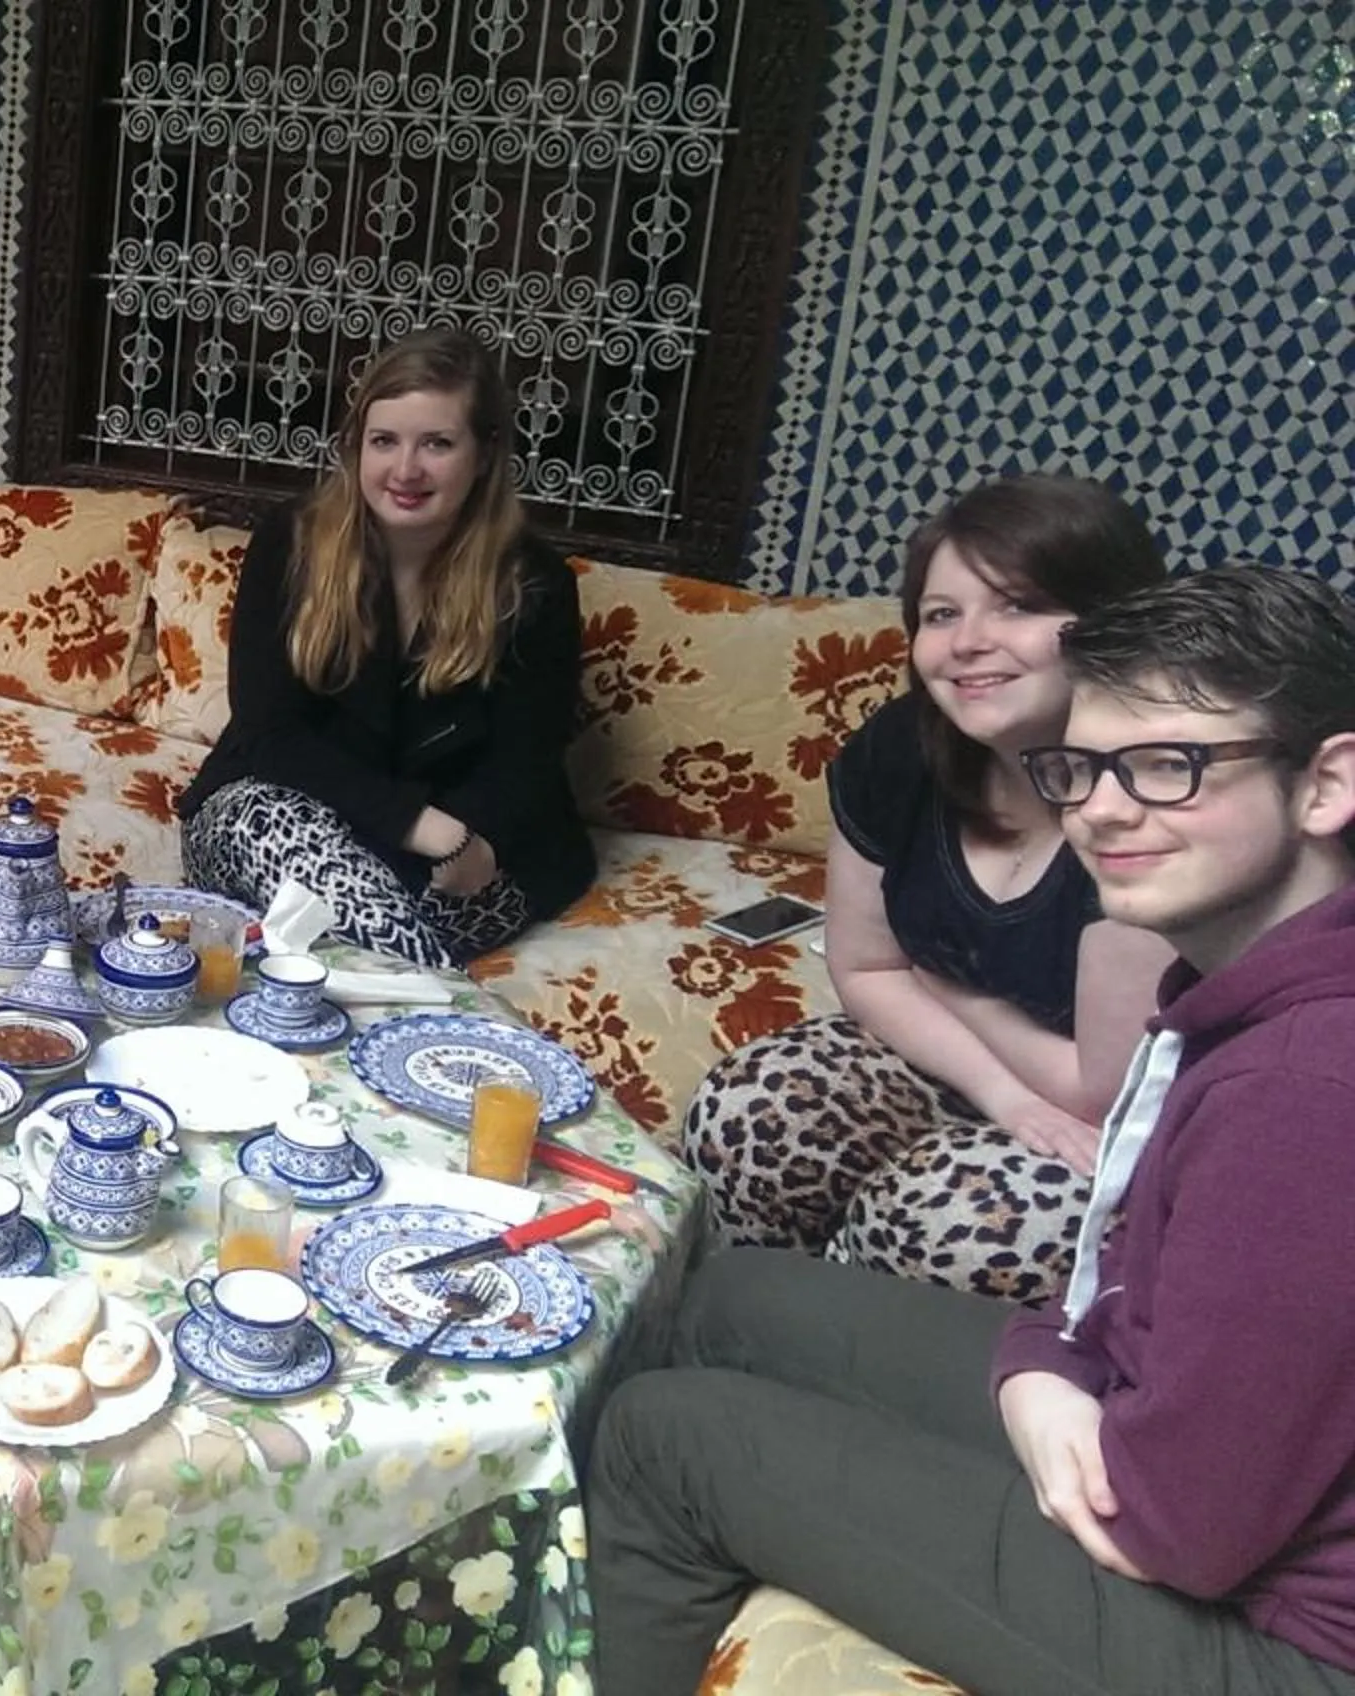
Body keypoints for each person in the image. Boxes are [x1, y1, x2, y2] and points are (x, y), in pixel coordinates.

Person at [589, 567, 1355, 1696]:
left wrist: (1044, 1385)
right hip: (1162, 1438)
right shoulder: (1255, 982)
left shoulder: (1304, 1090)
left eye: (1166, 764)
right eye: (1081, 768)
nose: (1099, 808)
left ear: (1327, 783)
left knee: (672, 1437)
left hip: (1273, 1641)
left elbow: (1177, 1530)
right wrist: (1044, 1361)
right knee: (728, 1291)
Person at [681, 475, 1172, 1302]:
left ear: (1113, 621)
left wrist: (948, 988)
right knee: (748, 1114)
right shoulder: (905, 748)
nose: (968, 642)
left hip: (1109, 1132)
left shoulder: (1152, 803)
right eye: (942, 615)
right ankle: (732, 1324)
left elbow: (1098, 1089)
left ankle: (830, 1370)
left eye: (1017, 605)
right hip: (958, 1066)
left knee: (951, 1223)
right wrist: (1004, 1092)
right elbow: (869, 968)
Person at [177, 325, 593, 968]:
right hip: (293, 824)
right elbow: (270, 733)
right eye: (385, 441)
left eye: (437, 444)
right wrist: (422, 827)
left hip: (468, 850)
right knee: (261, 823)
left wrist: (464, 840)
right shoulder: (290, 545)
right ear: (356, 449)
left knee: (325, 925)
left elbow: (527, 759)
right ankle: (445, 1011)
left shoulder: (533, 584)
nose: (405, 470)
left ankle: (334, 977)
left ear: (483, 454)